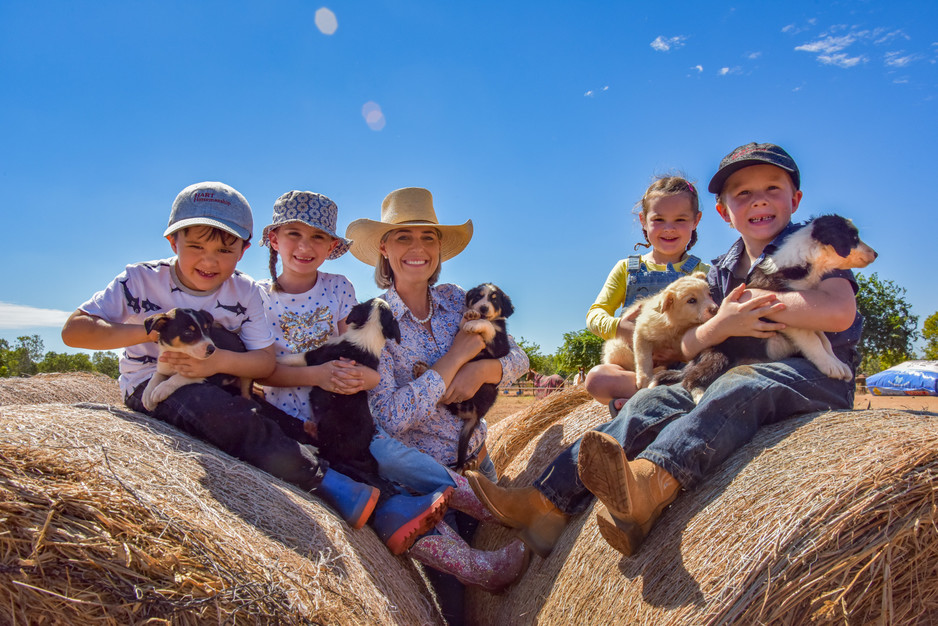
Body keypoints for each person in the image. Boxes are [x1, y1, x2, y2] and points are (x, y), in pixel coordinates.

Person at [468, 143, 862, 559]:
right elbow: (692, 344)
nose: (758, 199)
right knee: (651, 401)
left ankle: (650, 486)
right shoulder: (721, 271)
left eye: (772, 188)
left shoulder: (812, 248)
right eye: (742, 193)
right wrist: (722, 324)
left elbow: (838, 310)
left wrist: (758, 308)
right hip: (728, 372)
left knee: (742, 383)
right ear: (724, 211)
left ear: (795, 199)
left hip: (812, 379)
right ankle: (544, 502)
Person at [60, 181, 441, 546]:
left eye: (224, 251)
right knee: (233, 417)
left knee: (318, 435)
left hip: (235, 384)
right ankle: (323, 483)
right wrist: (152, 332)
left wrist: (214, 364)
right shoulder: (141, 279)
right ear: (172, 241)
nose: (209, 261)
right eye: (195, 247)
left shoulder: (243, 292)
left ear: (243, 250)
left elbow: (261, 361)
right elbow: (74, 330)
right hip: (155, 383)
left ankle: (395, 507)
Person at [345, 187, 530, 616]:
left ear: (439, 249)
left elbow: (517, 356)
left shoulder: (456, 299)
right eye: (404, 237)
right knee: (456, 609)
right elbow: (389, 419)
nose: (418, 248)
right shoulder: (370, 321)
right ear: (384, 250)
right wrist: (454, 359)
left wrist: (482, 370)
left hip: (480, 465)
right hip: (426, 488)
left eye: (428, 237)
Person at [254, 189, 459, 554]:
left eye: (318, 235)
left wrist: (372, 378)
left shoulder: (338, 288)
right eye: (294, 234)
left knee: (380, 455)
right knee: (370, 476)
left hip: (342, 412)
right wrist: (318, 376)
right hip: (293, 417)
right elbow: (261, 368)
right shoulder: (256, 297)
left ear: (331, 245)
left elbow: (349, 354)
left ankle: (469, 516)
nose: (305, 245)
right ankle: (462, 538)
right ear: (273, 239)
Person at [584, 175, 710, 412]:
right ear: (643, 220)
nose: (669, 228)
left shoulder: (702, 272)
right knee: (596, 379)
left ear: (696, 220)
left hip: (683, 362)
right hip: (634, 366)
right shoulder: (626, 268)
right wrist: (622, 327)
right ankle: (665, 394)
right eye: (658, 219)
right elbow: (594, 314)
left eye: (680, 219)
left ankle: (642, 399)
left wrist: (681, 349)